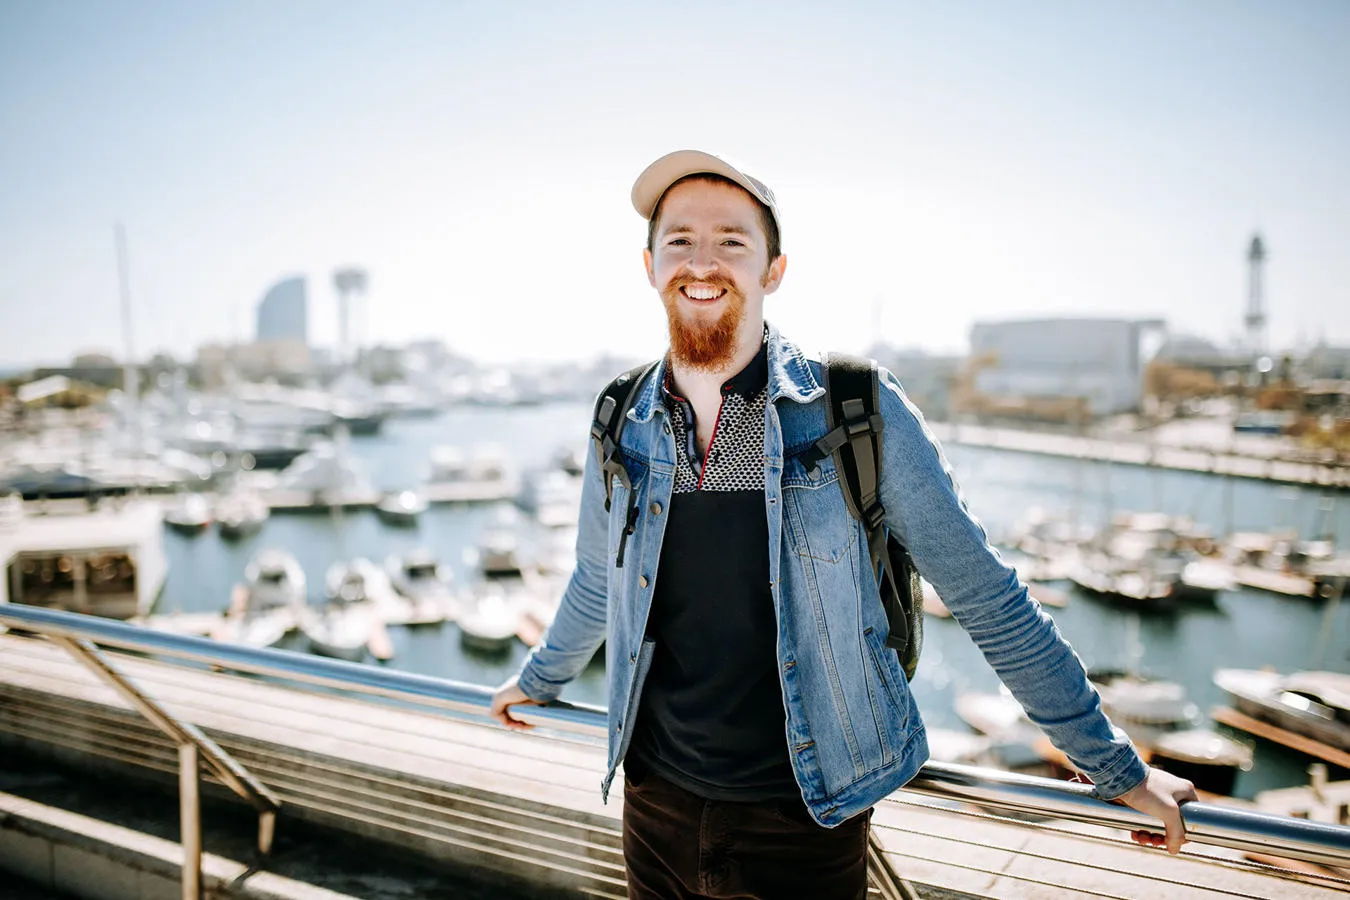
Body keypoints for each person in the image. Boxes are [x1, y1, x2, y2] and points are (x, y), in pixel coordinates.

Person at [491, 149, 1196, 899]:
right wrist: (538, 680)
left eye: (732, 241)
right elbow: (599, 578)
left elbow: (985, 596)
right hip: (653, 800)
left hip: (806, 815)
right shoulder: (623, 416)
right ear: (650, 265)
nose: (703, 262)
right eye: (679, 241)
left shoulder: (854, 408)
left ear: (774, 270)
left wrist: (1114, 765)